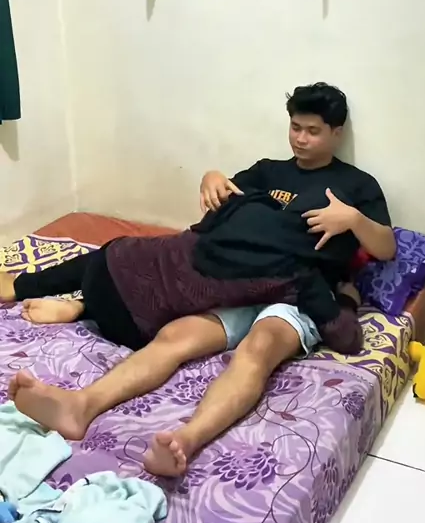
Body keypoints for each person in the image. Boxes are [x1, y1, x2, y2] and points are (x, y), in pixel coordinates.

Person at [2, 83, 395, 477]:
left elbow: (386, 248)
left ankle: (185, 441)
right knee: (175, 337)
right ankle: (80, 406)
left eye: (313, 131)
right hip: (241, 285)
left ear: (336, 133)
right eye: (295, 127)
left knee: (259, 348)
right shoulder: (268, 171)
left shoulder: (357, 185)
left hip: (301, 293)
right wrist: (210, 177)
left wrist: (353, 220)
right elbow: (223, 218)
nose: (301, 139)